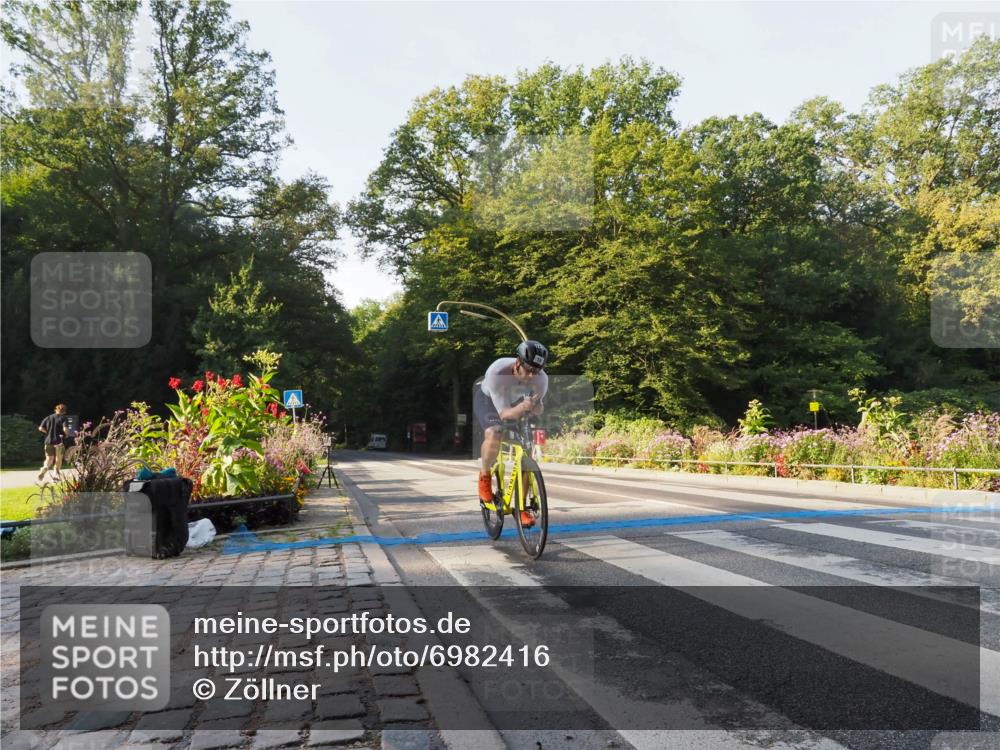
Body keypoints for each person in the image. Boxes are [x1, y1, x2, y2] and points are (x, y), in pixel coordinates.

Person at [474, 340, 549, 527]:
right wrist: (524, 406)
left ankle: (521, 508)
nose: (532, 376)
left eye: (536, 371)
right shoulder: (497, 374)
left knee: (527, 452)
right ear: (517, 364)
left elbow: (538, 409)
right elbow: (504, 414)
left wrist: (536, 407)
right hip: (489, 400)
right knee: (495, 431)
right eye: (529, 370)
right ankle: (485, 475)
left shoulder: (541, 379)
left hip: (515, 403)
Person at [37, 403, 69, 482]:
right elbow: (65, 429)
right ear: (64, 411)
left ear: (56, 409)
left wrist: (47, 432)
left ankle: (44, 468)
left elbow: (40, 428)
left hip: (48, 441)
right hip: (59, 441)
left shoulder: (48, 417)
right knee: (58, 458)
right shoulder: (64, 418)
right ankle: (56, 475)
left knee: (49, 458)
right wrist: (66, 435)